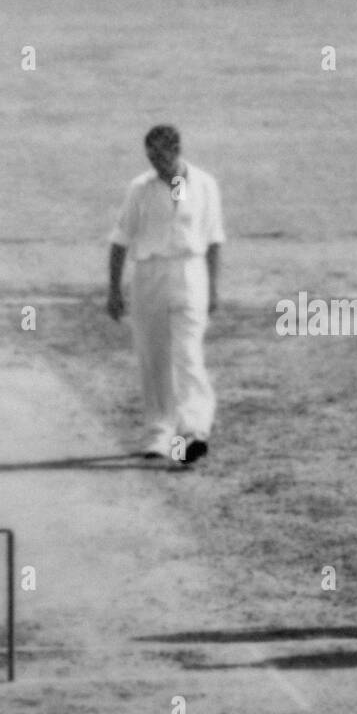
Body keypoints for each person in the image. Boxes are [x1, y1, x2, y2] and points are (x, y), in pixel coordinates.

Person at [106, 125, 223, 463]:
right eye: (150, 155)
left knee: (188, 353)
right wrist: (114, 290)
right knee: (153, 356)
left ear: (176, 149)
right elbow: (120, 240)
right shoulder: (140, 189)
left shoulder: (204, 184)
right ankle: (160, 434)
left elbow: (214, 239)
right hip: (149, 275)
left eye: (160, 154)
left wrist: (213, 288)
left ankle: (193, 432)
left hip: (190, 271)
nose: (155, 162)